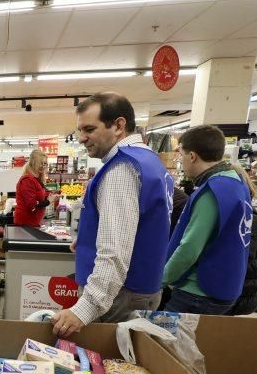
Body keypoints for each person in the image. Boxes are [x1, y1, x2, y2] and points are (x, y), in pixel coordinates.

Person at [52, 92, 173, 336]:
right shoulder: (148, 160)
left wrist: (84, 308)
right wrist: (89, 239)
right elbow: (139, 224)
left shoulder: (122, 169)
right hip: (141, 289)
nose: (82, 138)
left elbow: (115, 252)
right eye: (79, 130)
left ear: (119, 125)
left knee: (102, 365)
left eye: (89, 129)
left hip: (120, 296)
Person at [163, 125, 252, 315]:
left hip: (199, 291)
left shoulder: (212, 191)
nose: (180, 160)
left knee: (163, 342)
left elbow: (190, 248)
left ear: (193, 156)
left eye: (182, 155)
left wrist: (160, 280)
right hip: (226, 284)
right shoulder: (236, 183)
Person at [228, 165, 257, 316]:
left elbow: (246, 255)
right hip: (241, 287)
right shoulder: (246, 210)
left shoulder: (248, 214)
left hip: (240, 290)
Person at [14, 149, 59, 227]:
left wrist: (51, 195)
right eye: (42, 163)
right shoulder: (27, 180)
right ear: (36, 164)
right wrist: (48, 201)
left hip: (33, 223)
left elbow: (41, 194)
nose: (45, 166)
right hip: (26, 224)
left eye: (46, 163)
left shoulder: (36, 179)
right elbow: (32, 205)